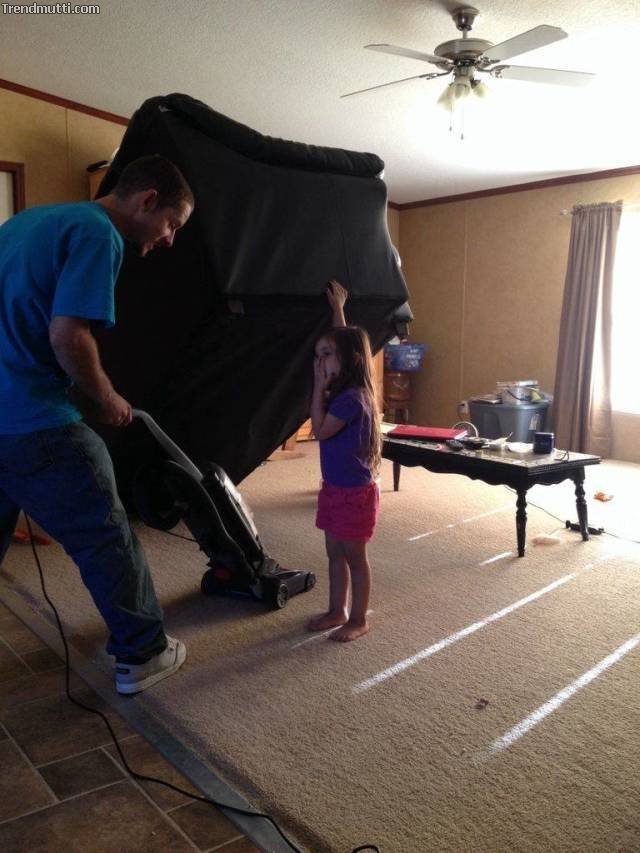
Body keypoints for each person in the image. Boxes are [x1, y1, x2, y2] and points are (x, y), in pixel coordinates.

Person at [0, 154, 194, 694]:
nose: (170, 239)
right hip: (38, 422)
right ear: (147, 201)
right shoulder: (98, 233)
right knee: (106, 537)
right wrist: (107, 399)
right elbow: (69, 335)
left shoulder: (27, 222)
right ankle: (143, 653)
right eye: (172, 224)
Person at [308, 288, 381, 642]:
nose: (319, 361)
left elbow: (320, 430)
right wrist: (338, 308)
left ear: (348, 360)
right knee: (334, 553)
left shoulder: (350, 399)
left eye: (326, 355)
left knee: (354, 556)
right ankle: (337, 609)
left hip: (354, 494)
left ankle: (359, 618)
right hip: (335, 489)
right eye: (317, 355)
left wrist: (317, 386)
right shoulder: (346, 389)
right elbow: (345, 342)